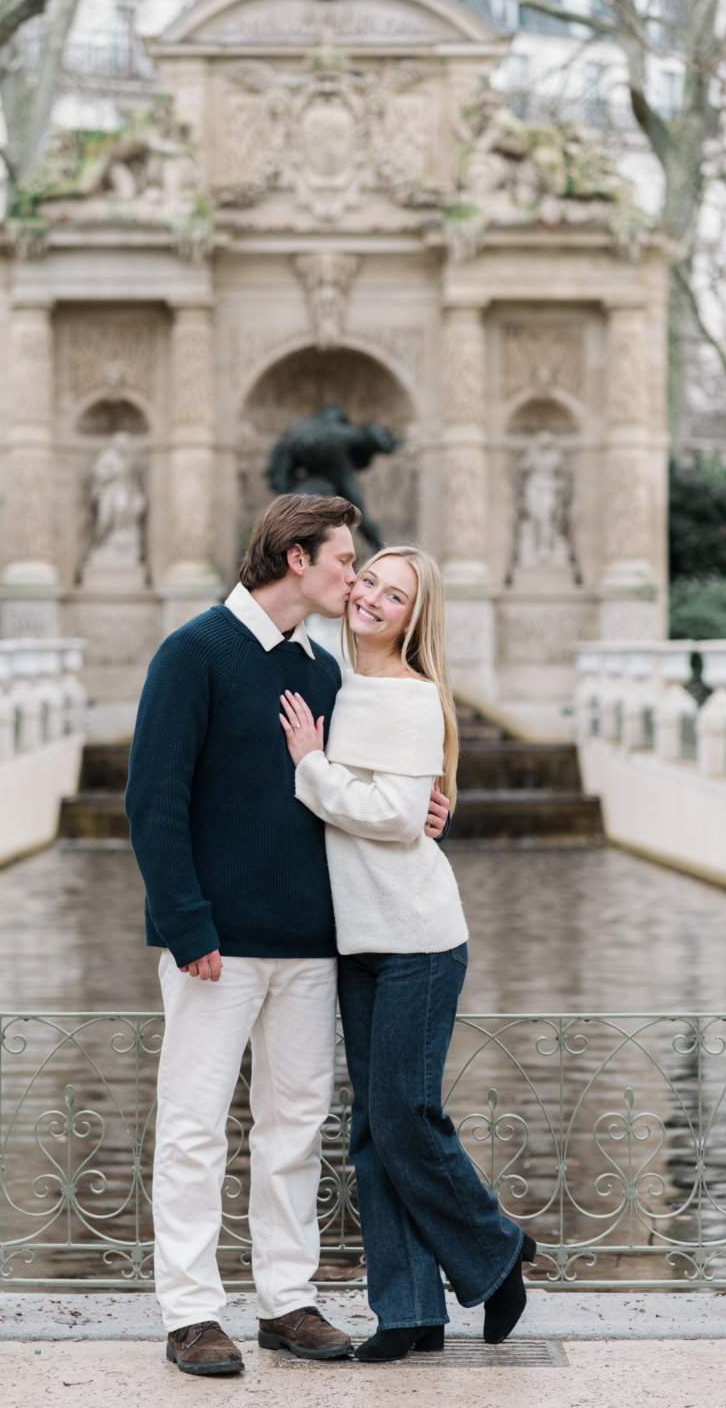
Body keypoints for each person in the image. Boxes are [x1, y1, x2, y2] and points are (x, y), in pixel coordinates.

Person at [125, 497, 450, 1377]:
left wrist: (423, 806)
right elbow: (152, 804)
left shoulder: (324, 672)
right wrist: (187, 924)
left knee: (295, 1126)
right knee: (194, 1126)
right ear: (297, 558)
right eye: (346, 560)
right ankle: (191, 1312)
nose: (355, 578)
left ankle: (286, 1300)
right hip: (215, 945)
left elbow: (355, 790)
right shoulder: (193, 653)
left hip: (311, 943)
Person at [279, 544, 536, 1363]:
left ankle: (497, 1252)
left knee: (402, 1116)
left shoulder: (411, 696)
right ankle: (409, 1311)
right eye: (369, 582)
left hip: (418, 940)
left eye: (396, 594)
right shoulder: (337, 680)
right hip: (360, 939)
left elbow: (395, 817)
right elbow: (403, 806)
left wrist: (309, 766)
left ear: (415, 617)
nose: (375, 598)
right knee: (371, 1131)